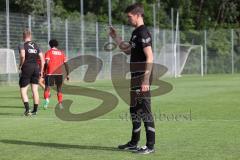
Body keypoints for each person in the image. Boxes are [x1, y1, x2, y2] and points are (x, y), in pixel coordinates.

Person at [109, 3, 155, 154]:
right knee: (134, 109)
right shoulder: (136, 33)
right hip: (135, 76)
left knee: (145, 109)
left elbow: (150, 56)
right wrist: (116, 37)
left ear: (137, 15)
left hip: (143, 77)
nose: (128, 19)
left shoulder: (143, 33)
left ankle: (150, 146)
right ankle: (134, 143)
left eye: (129, 17)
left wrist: (146, 80)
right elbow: (128, 50)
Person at [18, 29, 44, 116]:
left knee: (23, 89)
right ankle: (35, 110)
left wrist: (21, 64)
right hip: (36, 68)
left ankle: (27, 110)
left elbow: (22, 55)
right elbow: (42, 59)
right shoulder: (37, 45)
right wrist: (41, 70)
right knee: (35, 90)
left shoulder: (22, 45)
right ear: (30, 36)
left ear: (23, 36)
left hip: (27, 68)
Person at [43, 39, 69, 109]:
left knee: (47, 88)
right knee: (59, 89)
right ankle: (60, 104)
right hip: (59, 73)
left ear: (50, 45)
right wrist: (68, 74)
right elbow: (66, 64)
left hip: (50, 73)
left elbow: (46, 63)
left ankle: (46, 102)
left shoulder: (48, 52)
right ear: (57, 45)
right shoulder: (62, 53)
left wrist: (44, 71)